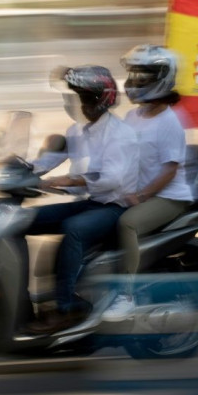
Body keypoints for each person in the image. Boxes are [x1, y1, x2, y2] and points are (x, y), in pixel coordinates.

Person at [21, 65, 139, 334]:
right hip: (91, 202)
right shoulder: (77, 131)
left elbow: (113, 179)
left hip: (115, 207)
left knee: (73, 229)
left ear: (98, 100)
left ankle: (66, 308)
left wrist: (69, 181)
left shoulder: (120, 135)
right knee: (22, 221)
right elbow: (47, 162)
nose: (70, 103)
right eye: (70, 97)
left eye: (78, 98)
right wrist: (20, 170)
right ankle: (21, 302)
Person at [102, 44, 195, 322]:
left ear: (161, 79)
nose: (133, 83)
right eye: (133, 75)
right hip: (140, 192)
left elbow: (169, 170)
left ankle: (126, 296)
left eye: (142, 76)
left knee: (128, 223)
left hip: (169, 197)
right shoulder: (134, 116)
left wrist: (141, 196)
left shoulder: (171, 122)